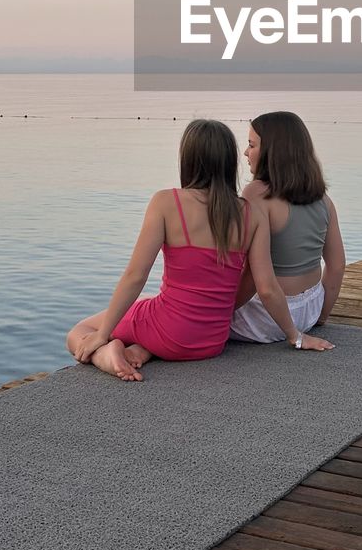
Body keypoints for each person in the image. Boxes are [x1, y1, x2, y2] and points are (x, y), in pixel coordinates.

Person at [66, 118, 334, 380]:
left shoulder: (165, 203)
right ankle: (142, 349)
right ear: (229, 162)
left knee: (82, 331)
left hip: (171, 330)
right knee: (148, 307)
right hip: (211, 341)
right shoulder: (251, 215)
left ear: (188, 159)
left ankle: (107, 358)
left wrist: (103, 335)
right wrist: (295, 336)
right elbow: (265, 284)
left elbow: (135, 275)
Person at [230, 111, 346, 343]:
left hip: (269, 316)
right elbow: (337, 265)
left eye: (251, 145)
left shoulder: (255, 194)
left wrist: (221, 312)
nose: (245, 152)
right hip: (310, 309)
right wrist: (321, 315)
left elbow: (253, 278)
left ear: (273, 152)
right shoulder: (323, 200)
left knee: (177, 312)